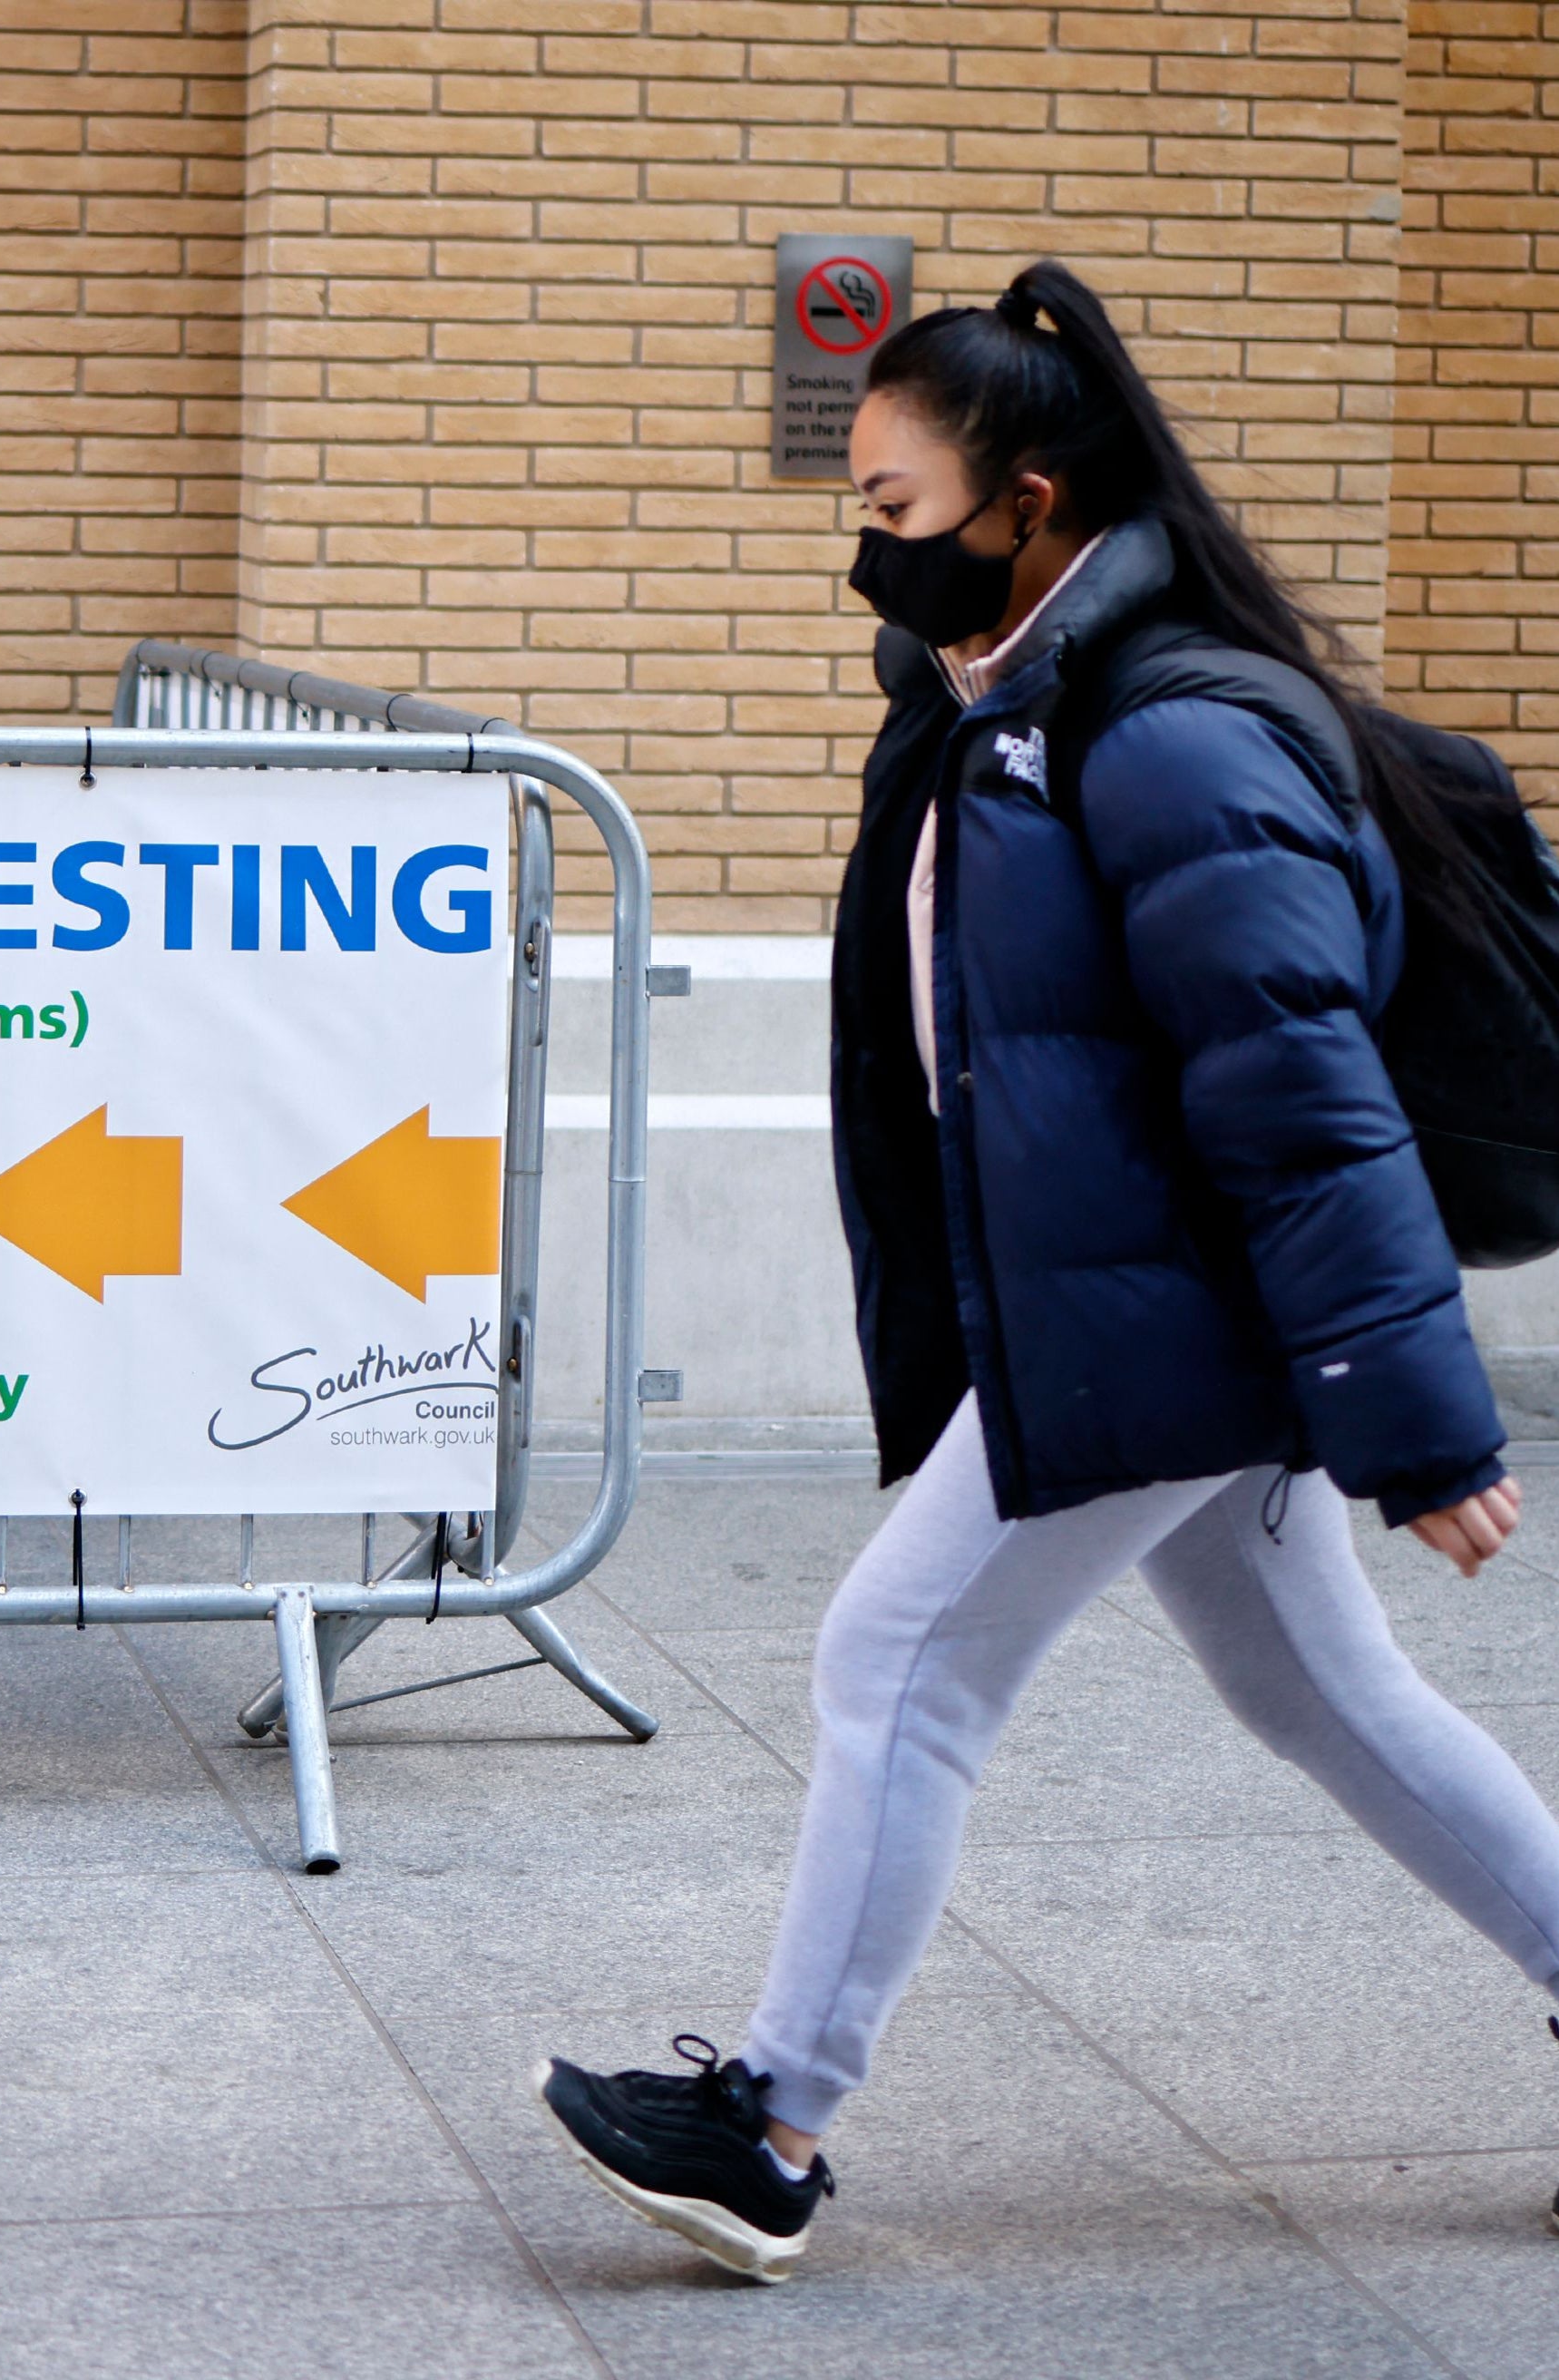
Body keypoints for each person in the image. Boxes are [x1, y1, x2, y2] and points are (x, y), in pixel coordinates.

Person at [535, 258, 1559, 2283]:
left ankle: (771, 2127)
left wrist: (1412, 1419)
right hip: (1136, 1299)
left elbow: (1297, 1092)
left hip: (1164, 1315)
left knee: (896, 1659)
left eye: (897, 512)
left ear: (1031, 502)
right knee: (1320, 1695)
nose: (867, 551)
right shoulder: (1002, 712)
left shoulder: (1169, 737)